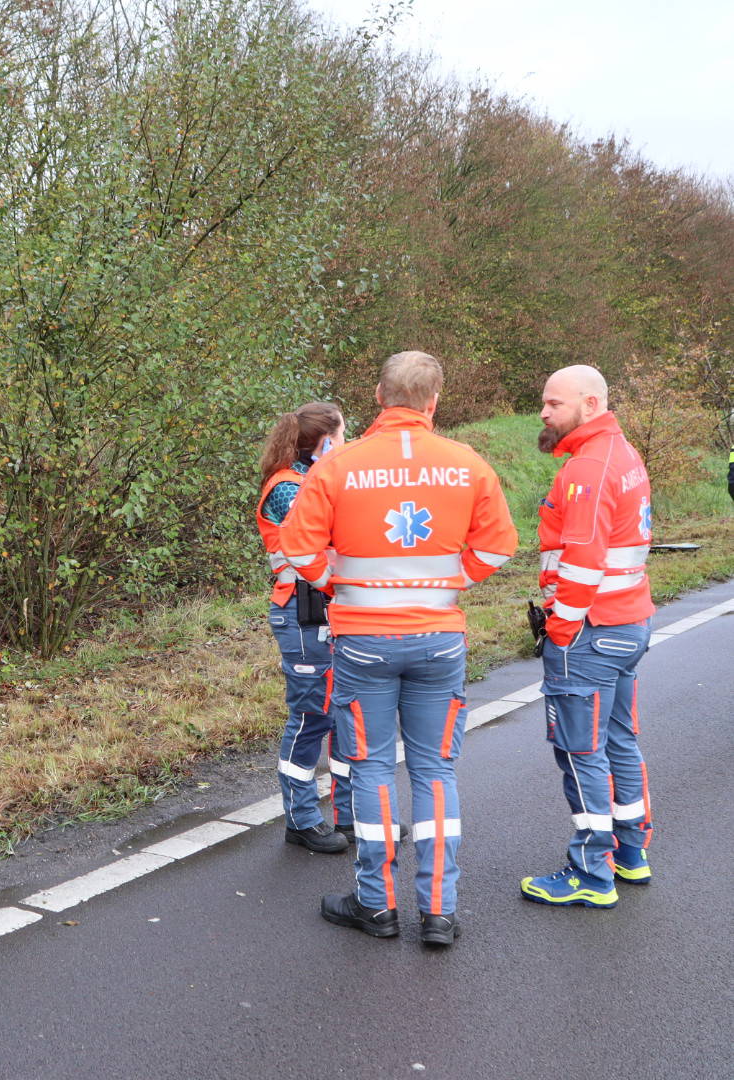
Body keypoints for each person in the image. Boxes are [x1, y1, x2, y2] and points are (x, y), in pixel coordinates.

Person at [281, 351, 517, 947]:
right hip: (439, 639)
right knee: (437, 769)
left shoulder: (341, 467)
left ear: (379, 396)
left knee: (372, 768)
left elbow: (297, 547)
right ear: (435, 400)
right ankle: (439, 910)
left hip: (363, 641)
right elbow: (499, 548)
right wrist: (451, 580)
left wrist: (340, 585)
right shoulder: (467, 464)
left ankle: (376, 905)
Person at [520, 365, 655, 908]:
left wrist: (559, 631)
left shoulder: (589, 467)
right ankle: (630, 852)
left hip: (590, 631)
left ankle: (591, 873)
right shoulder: (619, 453)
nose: (545, 412)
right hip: (628, 622)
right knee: (619, 742)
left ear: (591, 403)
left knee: (580, 751)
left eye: (554, 403)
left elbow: (583, 561)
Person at [255, 402, 353, 854]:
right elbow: (327, 538)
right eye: (342, 436)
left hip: (333, 611)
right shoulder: (288, 487)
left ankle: (348, 815)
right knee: (312, 715)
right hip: (302, 612)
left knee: (343, 715)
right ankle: (301, 817)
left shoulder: (316, 482)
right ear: (325, 442)